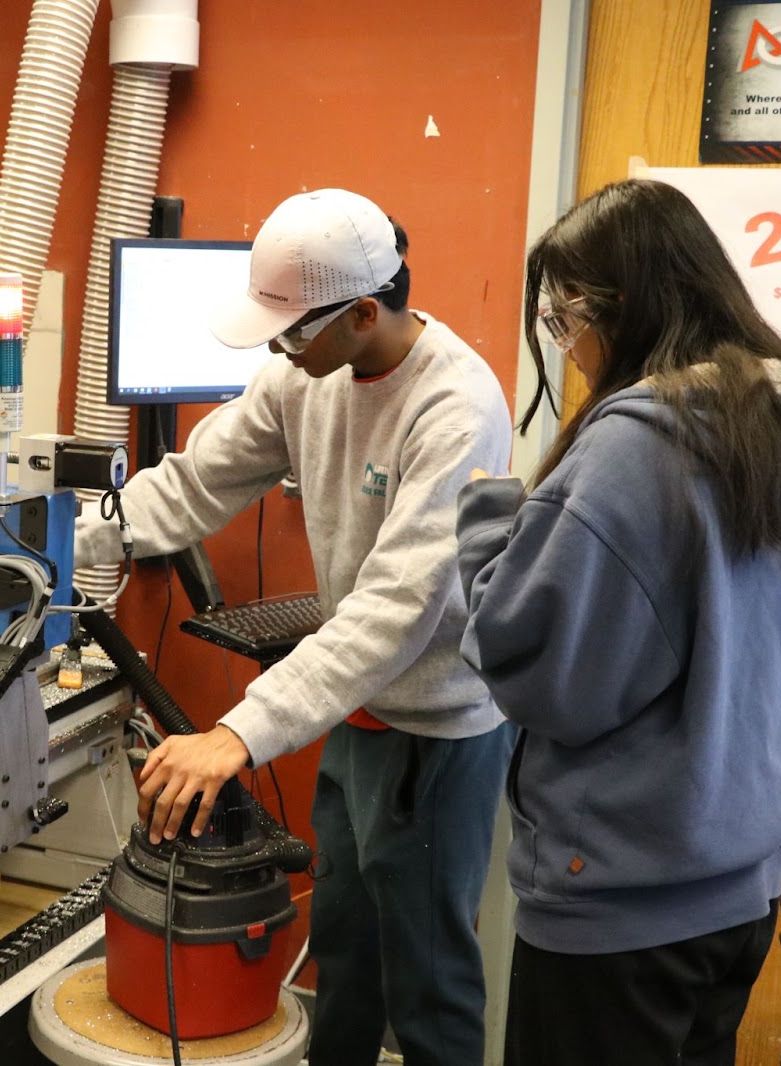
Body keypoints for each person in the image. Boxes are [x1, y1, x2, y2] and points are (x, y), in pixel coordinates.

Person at [75, 188, 515, 1066]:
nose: (276, 353)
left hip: (433, 731)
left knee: (428, 981)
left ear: (360, 313)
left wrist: (237, 733)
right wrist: (68, 534)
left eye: (289, 334)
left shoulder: (457, 409)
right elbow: (197, 482)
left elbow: (392, 614)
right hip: (353, 718)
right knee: (345, 951)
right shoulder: (302, 376)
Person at [454, 178, 781, 1066]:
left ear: (623, 307)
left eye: (566, 320)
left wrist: (490, 524)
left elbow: (539, 676)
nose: (569, 346)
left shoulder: (639, 446)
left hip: (621, 903)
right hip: (738, 883)